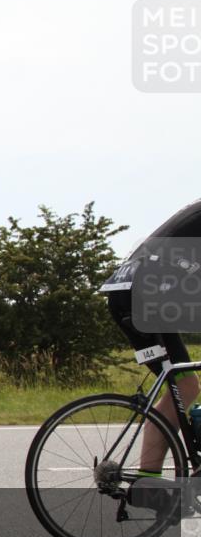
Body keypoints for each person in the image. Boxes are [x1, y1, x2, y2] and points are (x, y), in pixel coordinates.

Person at [101, 198, 201, 491]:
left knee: (183, 386)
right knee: (183, 386)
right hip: (146, 295)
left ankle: (151, 484)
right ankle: (148, 482)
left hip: (131, 293)